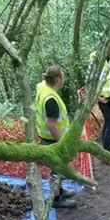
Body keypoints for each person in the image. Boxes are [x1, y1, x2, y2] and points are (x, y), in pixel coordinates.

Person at [35, 65, 76, 209]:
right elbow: (52, 125)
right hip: (52, 139)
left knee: (58, 168)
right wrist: (62, 144)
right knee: (56, 168)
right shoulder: (51, 99)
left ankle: (60, 190)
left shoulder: (42, 87)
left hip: (45, 136)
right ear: (58, 79)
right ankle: (56, 199)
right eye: (62, 77)